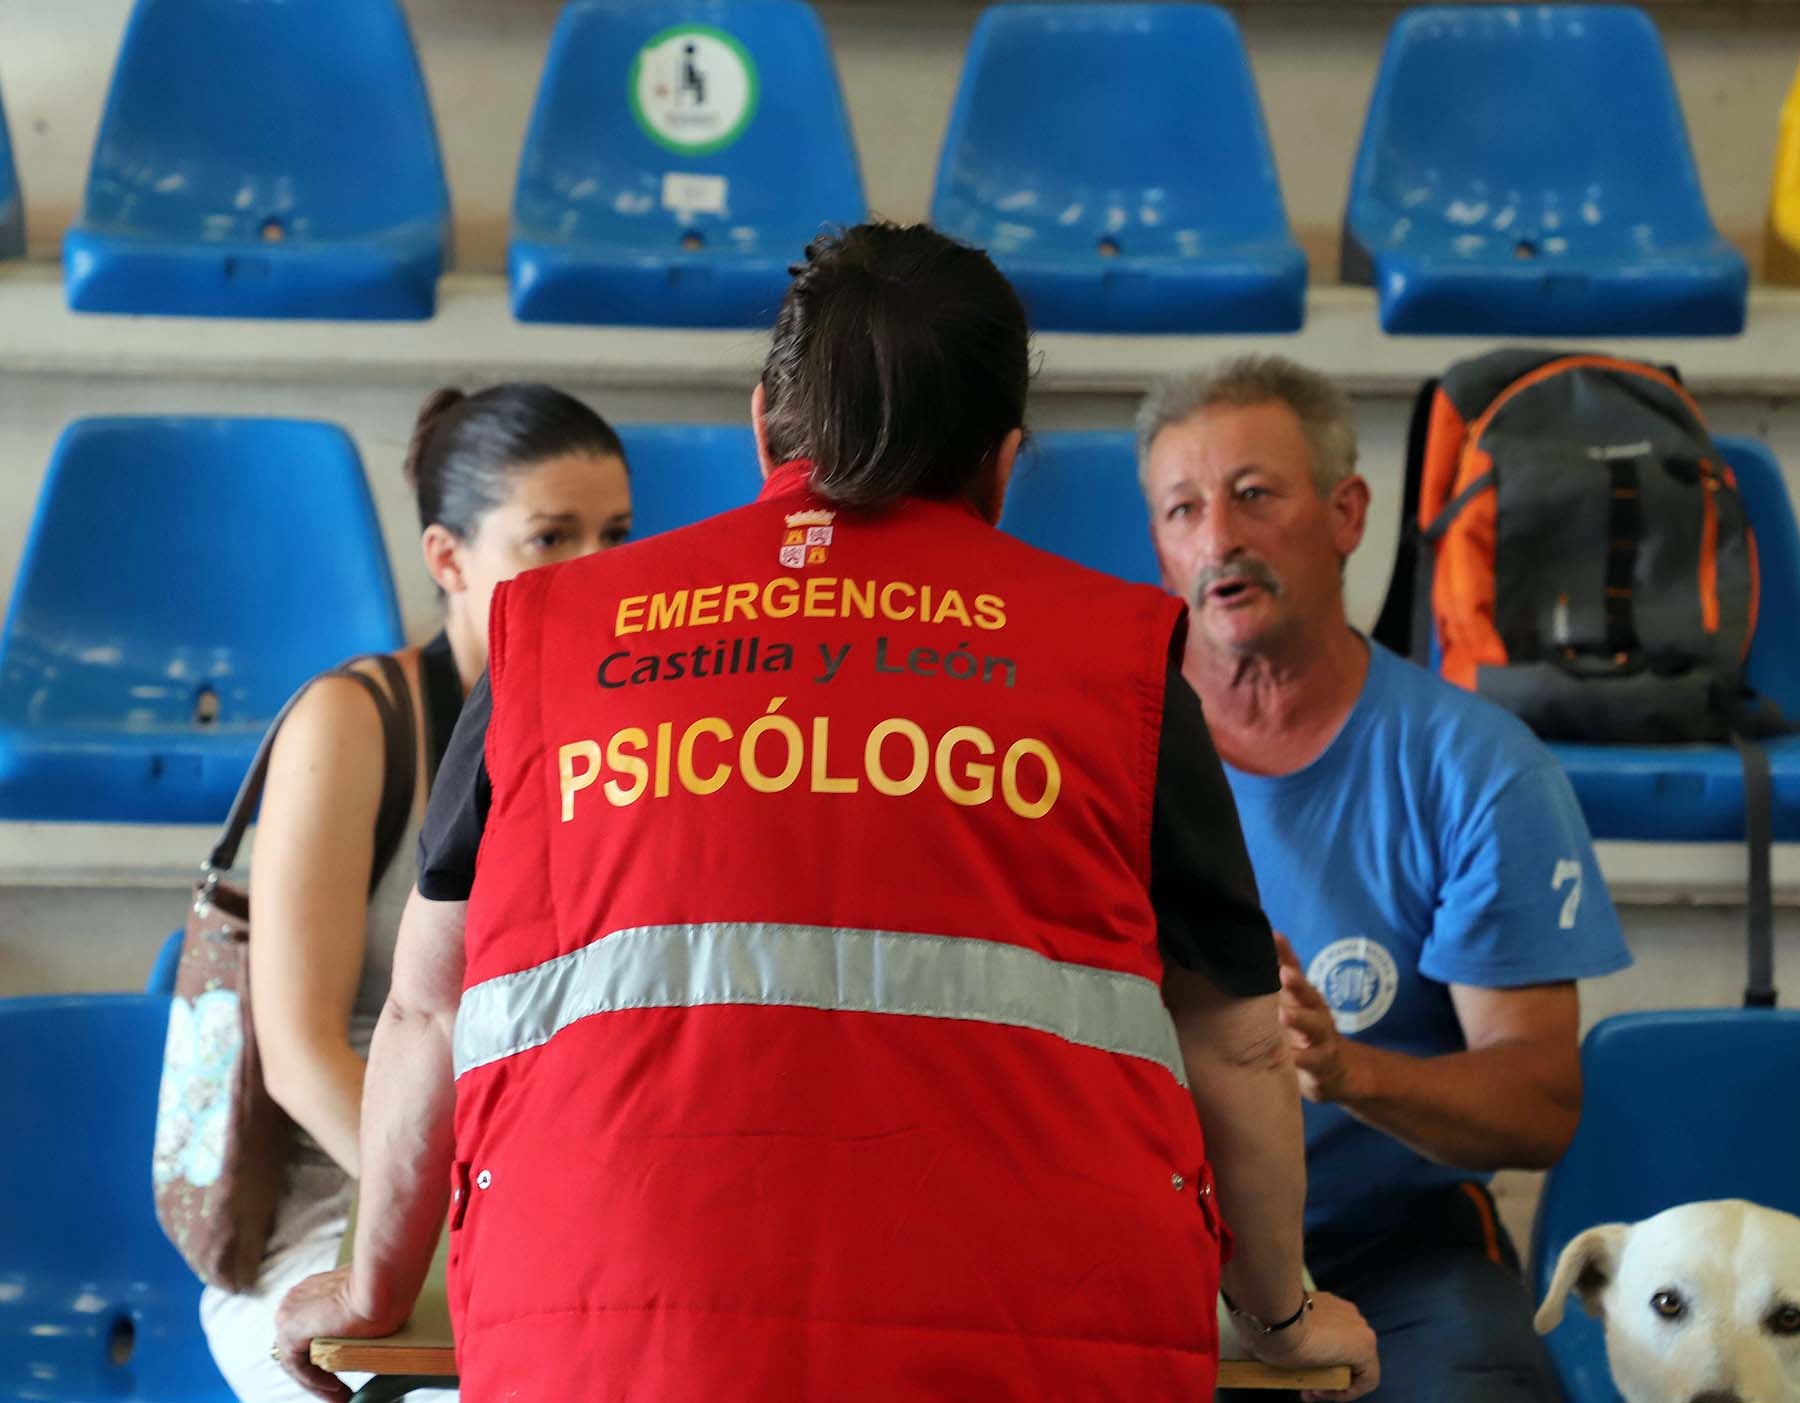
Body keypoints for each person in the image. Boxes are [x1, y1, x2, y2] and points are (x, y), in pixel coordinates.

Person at [272, 224, 1379, 1401]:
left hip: (616, 1345)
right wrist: (1278, 1315)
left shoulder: (549, 638)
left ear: (764, 427)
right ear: (1005, 464)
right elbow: (1237, 1038)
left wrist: (370, 1293)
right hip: (1038, 1343)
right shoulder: (1118, 662)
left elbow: (430, 1011)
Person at [1136, 355, 1633, 1403]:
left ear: (1347, 511)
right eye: (1184, 508)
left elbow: (1539, 1103)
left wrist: (1345, 1068)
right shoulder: (1104, 753)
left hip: (1403, 1251)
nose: (1218, 536)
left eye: (1255, 495)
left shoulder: (1478, 766)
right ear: (1160, 545)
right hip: (1154, 1250)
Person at [200, 383, 633, 1403]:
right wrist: (467, 1212)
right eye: (550, 536)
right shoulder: (351, 721)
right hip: (340, 1204)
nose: (596, 569)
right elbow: (305, 1058)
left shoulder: (625, 726)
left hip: (534, 1198)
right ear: (448, 559)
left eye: (617, 533)